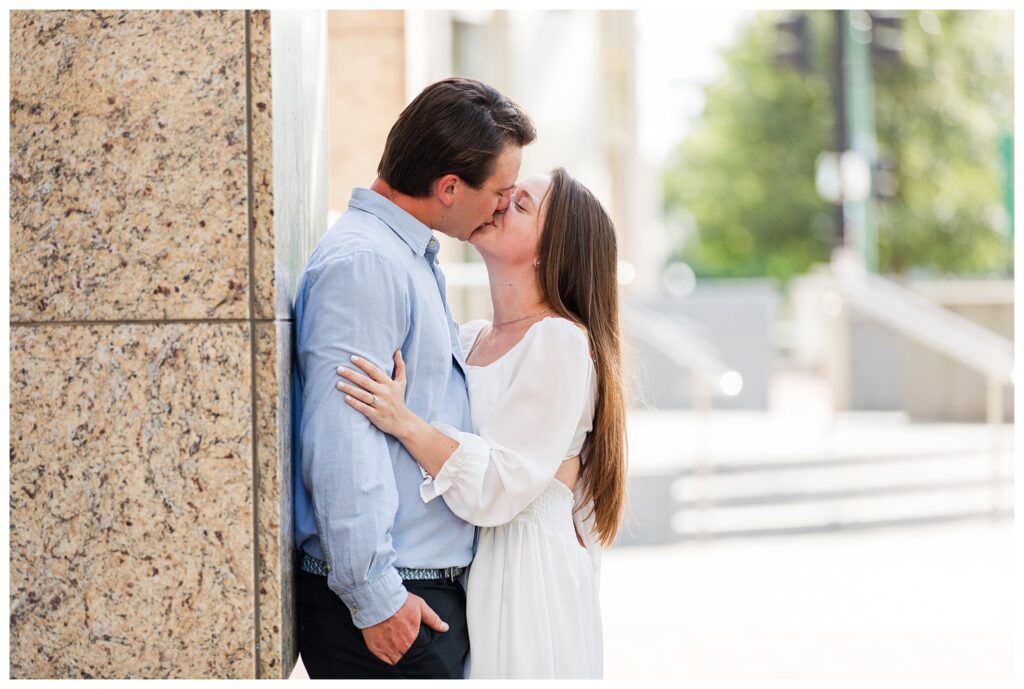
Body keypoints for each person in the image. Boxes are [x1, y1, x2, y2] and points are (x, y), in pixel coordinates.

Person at [334, 168, 628, 678]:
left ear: (550, 250)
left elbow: (497, 487)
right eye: (504, 195)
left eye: (520, 205)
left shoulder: (560, 341)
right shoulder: (468, 339)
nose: (498, 205)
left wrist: (406, 422)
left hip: (528, 579)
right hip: (473, 571)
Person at [292, 77, 535, 679]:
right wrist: (378, 600)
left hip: (416, 597)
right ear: (450, 188)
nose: (504, 205)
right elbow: (341, 443)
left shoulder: (402, 257)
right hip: (394, 607)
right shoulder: (367, 264)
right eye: (500, 192)